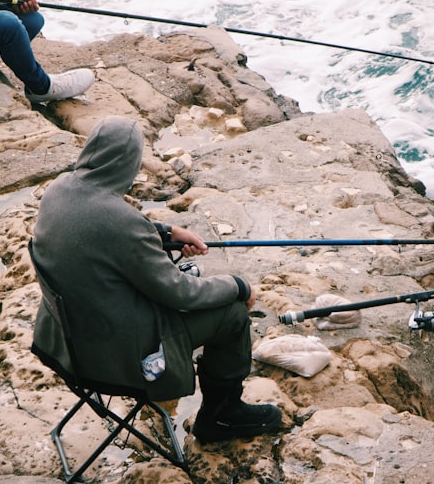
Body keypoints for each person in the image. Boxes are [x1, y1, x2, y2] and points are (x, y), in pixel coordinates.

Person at [30, 115, 283, 444]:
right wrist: (239, 285)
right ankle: (221, 417)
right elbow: (182, 294)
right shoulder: (120, 221)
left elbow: (101, 232)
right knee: (232, 314)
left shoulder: (59, 189)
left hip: (65, 345)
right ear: (129, 164)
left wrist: (165, 232)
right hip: (114, 360)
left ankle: (221, 411)